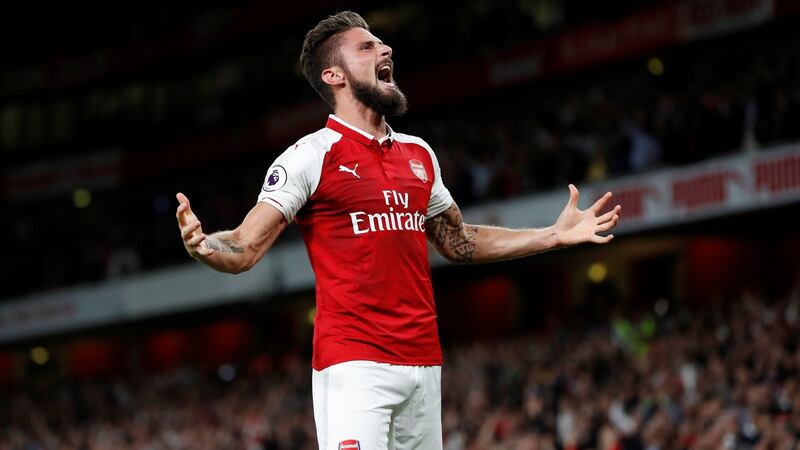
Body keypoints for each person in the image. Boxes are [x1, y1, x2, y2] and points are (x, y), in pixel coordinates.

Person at [176, 11, 621, 450]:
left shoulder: (419, 154)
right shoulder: (310, 156)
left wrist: (552, 236)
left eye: (381, 43)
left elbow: (458, 241)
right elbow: (244, 245)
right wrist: (205, 245)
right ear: (334, 75)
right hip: (354, 367)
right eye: (366, 46)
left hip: (424, 365)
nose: (384, 49)